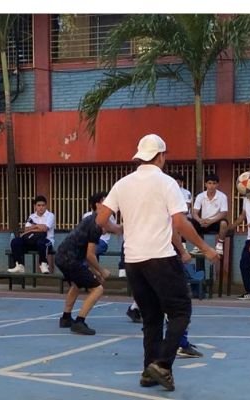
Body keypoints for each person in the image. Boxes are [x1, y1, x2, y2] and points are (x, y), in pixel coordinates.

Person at [97, 133, 220, 392]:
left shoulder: (122, 183)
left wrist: (120, 229)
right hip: (161, 258)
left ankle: (148, 372)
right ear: (161, 156)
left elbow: (100, 220)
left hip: (132, 260)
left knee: (151, 317)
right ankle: (163, 364)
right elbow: (179, 222)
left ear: (140, 155)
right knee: (180, 311)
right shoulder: (166, 183)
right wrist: (206, 248)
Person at [57, 199, 121, 335]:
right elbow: (90, 256)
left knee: (76, 284)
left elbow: (115, 228)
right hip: (70, 259)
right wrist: (102, 271)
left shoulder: (91, 219)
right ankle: (80, 321)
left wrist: (95, 272)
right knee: (98, 289)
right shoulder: (95, 226)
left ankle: (66, 318)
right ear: (98, 205)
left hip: (63, 256)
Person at [9, 195, 55, 274]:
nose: (41, 207)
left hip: (46, 242)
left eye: (43, 205)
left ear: (46, 206)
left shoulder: (50, 215)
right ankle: (20, 266)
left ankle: (43, 264)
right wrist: (38, 226)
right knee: (15, 241)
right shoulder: (32, 216)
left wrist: (34, 226)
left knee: (42, 242)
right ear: (35, 206)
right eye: (39, 205)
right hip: (31, 241)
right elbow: (26, 229)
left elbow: (45, 229)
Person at [191, 174, 230, 255]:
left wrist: (211, 221)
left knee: (224, 223)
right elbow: (194, 212)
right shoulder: (200, 196)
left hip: (215, 222)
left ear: (217, 185)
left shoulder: (222, 196)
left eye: (214, 183)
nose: (211, 186)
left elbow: (223, 213)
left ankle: (219, 245)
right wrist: (200, 220)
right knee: (191, 221)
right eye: (209, 183)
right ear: (205, 184)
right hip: (203, 222)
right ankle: (199, 246)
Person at [81, 191, 114, 260]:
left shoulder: (108, 215)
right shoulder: (86, 215)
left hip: (101, 241)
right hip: (87, 240)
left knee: (89, 251)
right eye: (102, 202)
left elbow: (108, 229)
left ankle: (94, 269)